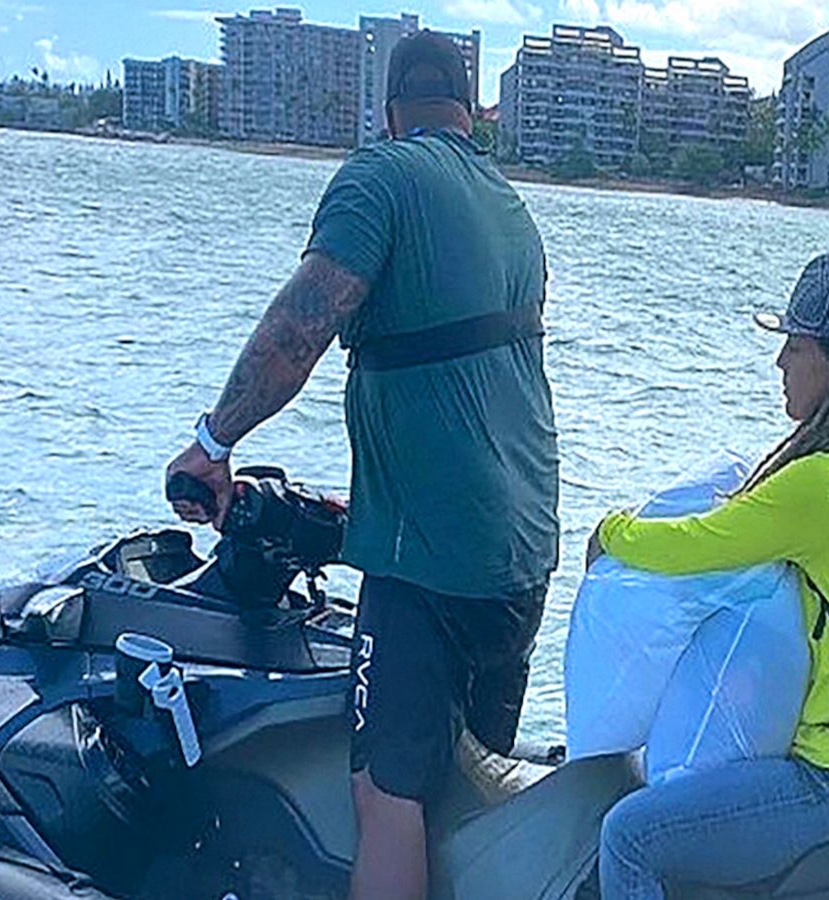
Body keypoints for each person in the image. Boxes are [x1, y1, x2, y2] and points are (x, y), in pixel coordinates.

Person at [163, 31, 558, 900]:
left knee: (387, 793)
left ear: (389, 113)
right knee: (464, 789)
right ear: (471, 110)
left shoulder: (377, 178)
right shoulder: (511, 207)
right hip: (523, 553)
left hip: (432, 561)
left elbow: (299, 330)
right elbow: (469, 378)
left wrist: (214, 442)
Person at [586, 254, 829, 899]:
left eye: (794, 347)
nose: (780, 364)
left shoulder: (825, 484)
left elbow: (698, 545)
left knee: (628, 836)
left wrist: (609, 533)